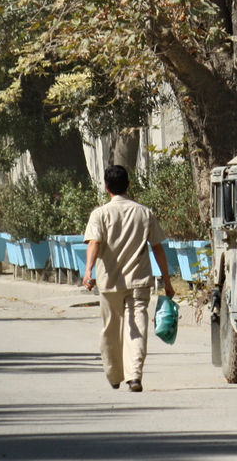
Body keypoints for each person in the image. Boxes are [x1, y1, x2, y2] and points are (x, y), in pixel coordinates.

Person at [83, 165, 175, 392]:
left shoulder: (100, 214)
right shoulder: (144, 213)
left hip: (109, 283)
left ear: (106, 187)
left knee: (111, 328)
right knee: (138, 327)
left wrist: (88, 272)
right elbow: (157, 248)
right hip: (139, 281)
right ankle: (134, 375)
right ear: (129, 185)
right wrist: (167, 280)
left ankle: (114, 374)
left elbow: (94, 243)